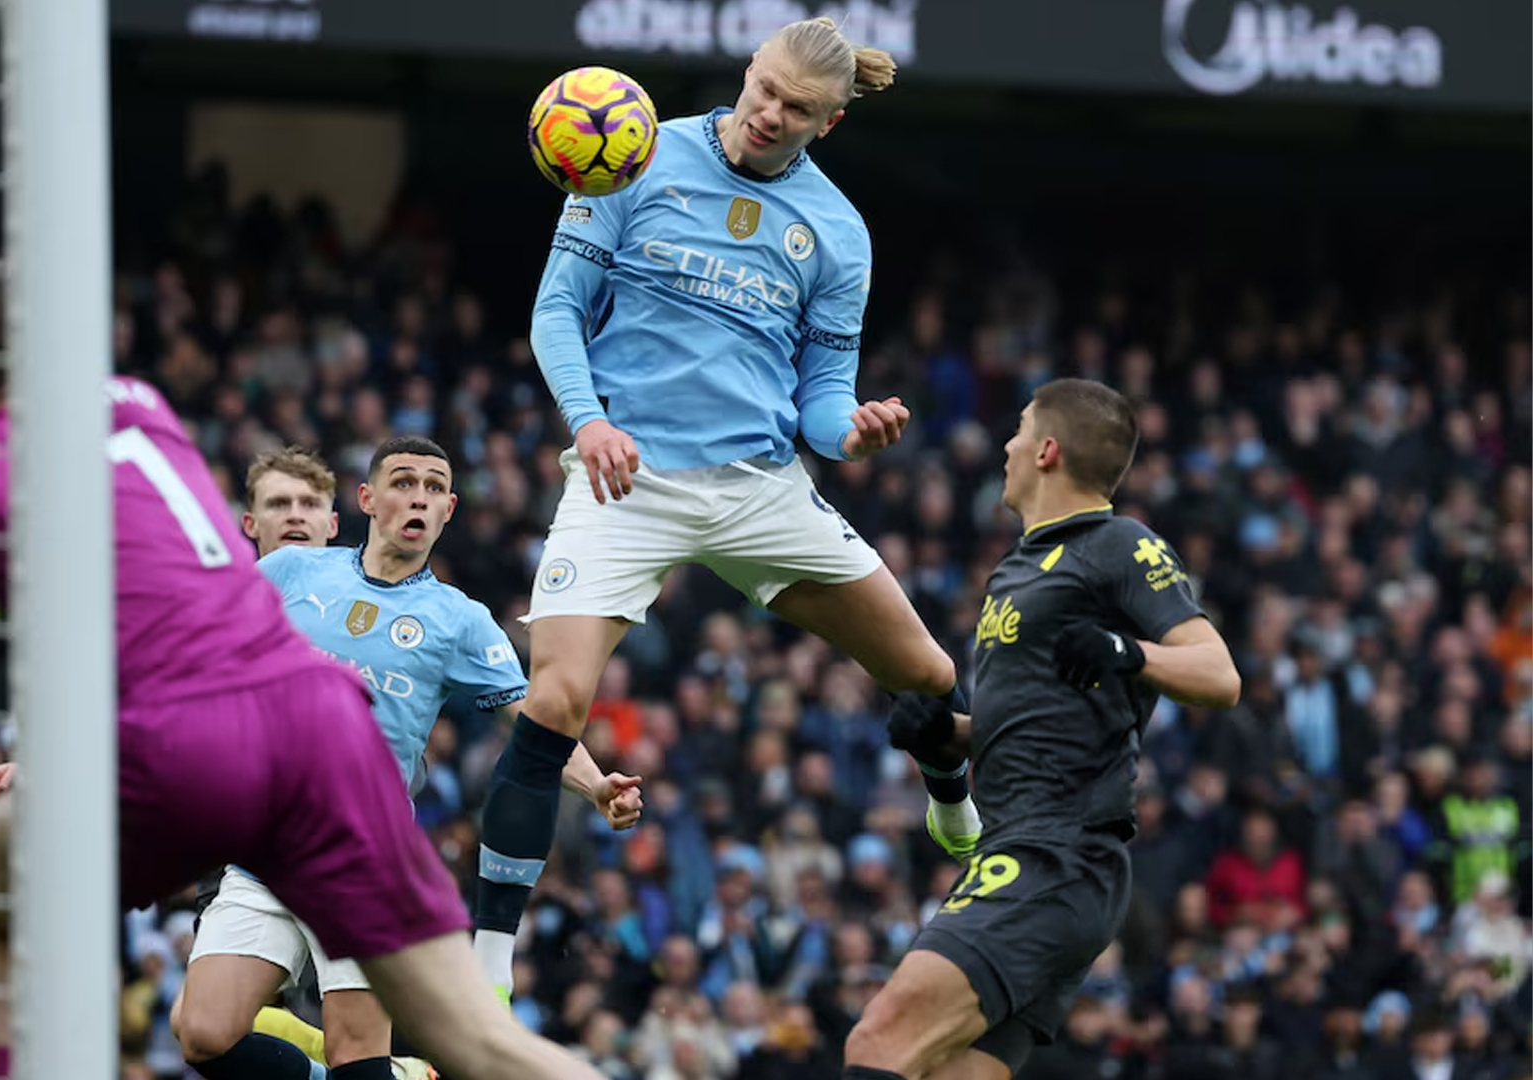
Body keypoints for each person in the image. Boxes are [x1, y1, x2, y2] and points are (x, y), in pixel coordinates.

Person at [0, 269, 615, 1080]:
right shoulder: (144, 410)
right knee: (473, 1042)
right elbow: (157, 584)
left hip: (192, 743)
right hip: (322, 735)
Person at [473, 15, 970, 999]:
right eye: (763, 90)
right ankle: (488, 968)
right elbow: (556, 311)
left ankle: (951, 800)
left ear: (826, 125)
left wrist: (853, 431)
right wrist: (587, 422)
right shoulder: (634, 155)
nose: (768, 114)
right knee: (555, 699)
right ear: (747, 74)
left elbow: (824, 399)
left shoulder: (835, 232)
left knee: (928, 669)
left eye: (795, 108)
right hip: (628, 482)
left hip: (757, 491)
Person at [163, 442, 643, 1080]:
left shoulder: (459, 620)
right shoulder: (291, 574)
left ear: (448, 511)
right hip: (267, 852)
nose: (418, 496)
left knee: (356, 1061)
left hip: (363, 859)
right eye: (403, 482)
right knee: (202, 1035)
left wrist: (596, 785)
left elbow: (535, 720)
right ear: (367, 500)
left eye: (433, 487)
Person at [847, 378, 1243, 1080]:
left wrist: (1131, 652)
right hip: (1031, 855)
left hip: (1055, 854)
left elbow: (1220, 675)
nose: (1007, 444)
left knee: (877, 1045)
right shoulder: (1017, 571)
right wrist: (945, 731)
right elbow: (1027, 727)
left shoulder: (1119, 544)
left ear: (1048, 451)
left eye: (1020, 429)